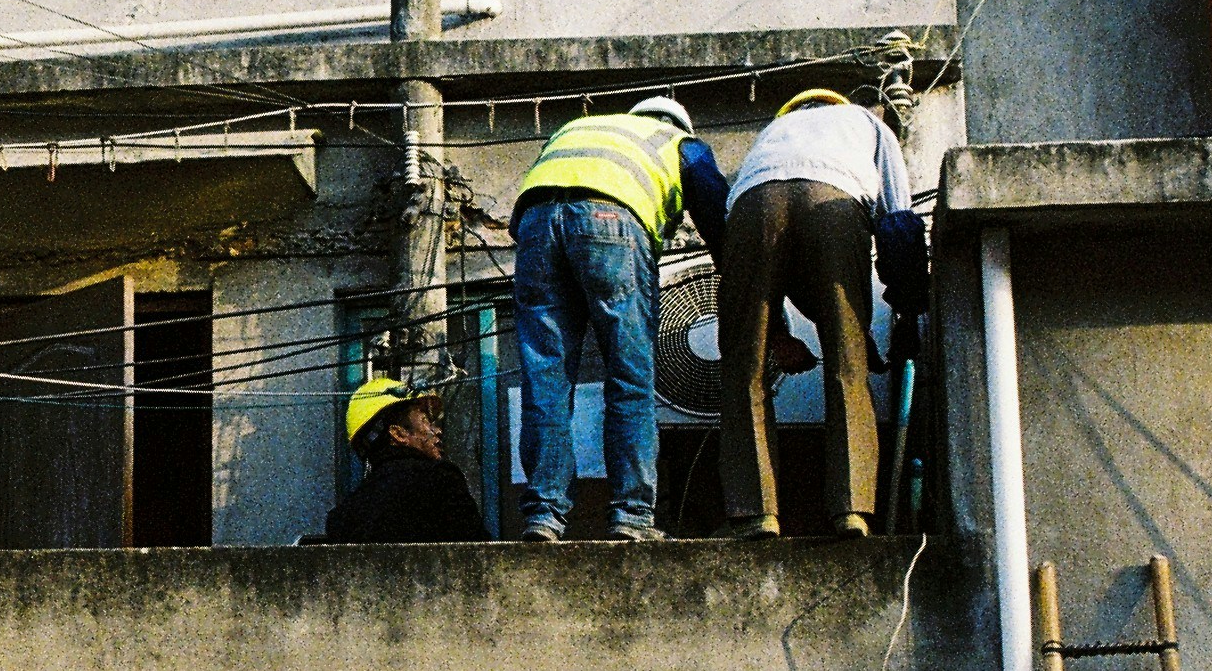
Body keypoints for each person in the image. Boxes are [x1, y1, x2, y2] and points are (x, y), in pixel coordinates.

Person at [507, 96, 724, 543]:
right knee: (629, 377)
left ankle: (543, 516)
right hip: (611, 220)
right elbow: (720, 220)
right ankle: (631, 515)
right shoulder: (679, 141)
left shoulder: (579, 129)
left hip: (534, 223)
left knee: (546, 377)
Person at [715, 86, 917, 540]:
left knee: (744, 369)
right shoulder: (868, 123)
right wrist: (907, 304)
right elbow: (898, 220)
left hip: (752, 207)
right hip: (834, 200)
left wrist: (780, 337)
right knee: (848, 367)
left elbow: (772, 274)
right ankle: (851, 510)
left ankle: (755, 514)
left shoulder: (773, 131)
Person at [319, 376, 490, 543]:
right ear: (399, 434)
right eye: (425, 421)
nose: (437, 431)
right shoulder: (441, 480)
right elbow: (481, 556)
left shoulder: (342, 518)